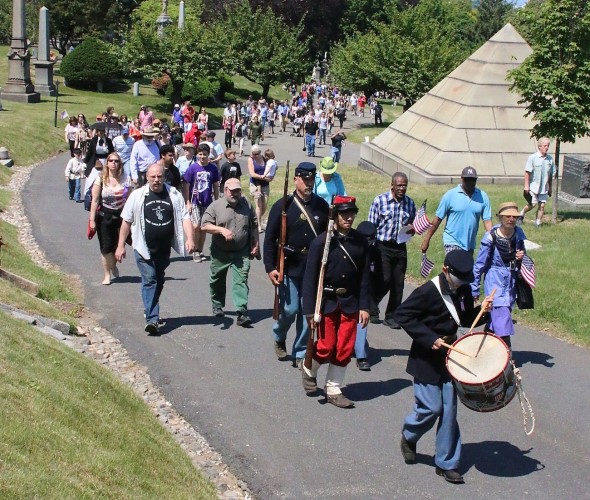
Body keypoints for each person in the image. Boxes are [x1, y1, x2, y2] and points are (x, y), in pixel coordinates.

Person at [395, 249, 492, 485]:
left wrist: (482, 311)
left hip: (452, 358)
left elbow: (465, 319)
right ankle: (409, 435)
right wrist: (430, 338)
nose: (462, 283)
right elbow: (403, 315)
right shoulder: (428, 291)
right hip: (426, 359)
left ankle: (447, 463)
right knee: (431, 408)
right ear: (446, 270)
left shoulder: (464, 289)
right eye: (459, 277)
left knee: (449, 412)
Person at [301, 196, 370, 408]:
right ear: (336, 216)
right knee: (325, 346)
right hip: (327, 301)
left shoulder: (360, 242)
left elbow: (365, 277)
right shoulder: (322, 242)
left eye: (352, 213)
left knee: (344, 347)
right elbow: (310, 278)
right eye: (345, 214)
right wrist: (310, 311)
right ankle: (308, 368)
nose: (349, 218)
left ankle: (333, 388)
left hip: (350, 301)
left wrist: (365, 306)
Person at [263, 162, 330, 367]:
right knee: (290, 309)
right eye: (305, 179)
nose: (309, 183)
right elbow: (270, 239)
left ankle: (300, 352)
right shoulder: (283, 205)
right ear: (296, 179)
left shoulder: (321, 206)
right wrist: (270, 267)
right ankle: (279, 335)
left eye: (312, 179)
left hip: (313, 267)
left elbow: (328, 238)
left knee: (306, 311)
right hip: (289, 266)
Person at [116, 164, 195, 335]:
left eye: (159, 177)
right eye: (153, 177)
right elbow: (126, 221)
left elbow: (184, 217)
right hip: (142, 247)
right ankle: (152, 319)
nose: (156, 180)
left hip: (163, 248)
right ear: (147, 177)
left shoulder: (173, 194)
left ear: (163, 176)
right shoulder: (137, 196)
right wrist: (121, 245)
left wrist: (190, 238)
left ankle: (149, 307)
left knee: (158, 280)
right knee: (150, 279)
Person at [201, 178, 259, 327]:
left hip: (241, 252)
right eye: (232, 191)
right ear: (225, 190)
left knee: (241, 280)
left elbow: (253, 223)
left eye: (238, 190)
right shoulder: (216, 206)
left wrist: (255, 243)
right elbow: (204, 225)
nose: (235, 193)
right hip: (220, 252)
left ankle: (242, 312)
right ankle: (217, 305)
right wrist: (221, 230)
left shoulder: (246, 203)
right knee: (217, 280)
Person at [472, 202, 527, 348]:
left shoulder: (519, 235)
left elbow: (524, 260)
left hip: (511, 282)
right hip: (494, 281)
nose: (511, 219)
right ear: (500, 218)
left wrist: (522, 256)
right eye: (507, 216)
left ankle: (484, 348)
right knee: (502, 317)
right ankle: (507, 356)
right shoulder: (490, 237)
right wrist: (475, 289)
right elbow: (479, 265)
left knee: (497, 317)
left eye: (514, 216)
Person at [368, 172, 416, 328]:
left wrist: (412, 230)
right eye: (399, 185)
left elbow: (411, 224)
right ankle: (372, 306)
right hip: (383, 246)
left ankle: (392, 316)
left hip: (400, 247)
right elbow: (371, 225)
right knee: (385, 279)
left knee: (398, 283)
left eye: (405, 185)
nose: (402, 188)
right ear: (392, 185)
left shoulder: (410, 203)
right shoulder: (380, 201)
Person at [421, 167, 492, 255]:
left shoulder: (482, 196)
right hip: (452, 241)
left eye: (472, 180)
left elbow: (487, 221)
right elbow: (438, 219)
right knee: (453, 267)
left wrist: (492, 239)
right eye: (467, 179)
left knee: (465, 269)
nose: (470, 182)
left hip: (469, 244)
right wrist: (426, 240)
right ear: (462, 178)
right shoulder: (450, 195)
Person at [89, 153, 131, 286]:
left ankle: (113, 265)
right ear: (107, 163)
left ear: (120, 164)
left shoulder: (125, 178)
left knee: (118, 245)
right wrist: (92, 220)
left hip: (121, 216)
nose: (113, 163)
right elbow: (95, 200)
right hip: (104, 216)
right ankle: (107, 274)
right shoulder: (100, 179)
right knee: (106, 247)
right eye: (111, 161)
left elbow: (129, 200)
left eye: (116, 161)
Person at [183, 143, 220, 263]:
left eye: (204, 154)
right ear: (197, 154)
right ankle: (194, 249)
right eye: (200, 154)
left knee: (204, 227)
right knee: (195, 225)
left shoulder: (213, 168)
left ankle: (200, 250)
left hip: (207, 201)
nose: (202, 157)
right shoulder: (193, 168)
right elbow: (186, 185)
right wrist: (187, 202)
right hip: (195, 201)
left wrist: (217, 201)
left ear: (209, 154)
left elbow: (215, 185)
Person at [354, 221, 380, 371]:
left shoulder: (375, 252)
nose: (369, 243)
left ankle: (361, 355)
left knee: (362, 321)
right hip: (347, 289)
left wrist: (374, 298)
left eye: (371, 240)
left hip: (365, 291)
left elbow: (379, 277)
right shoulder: (349, 247)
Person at [520, 137, 555, 227]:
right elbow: (527, 172)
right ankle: (521, 214)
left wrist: (550, 188)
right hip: (534, 186)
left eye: (548, 146)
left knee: (542, 205)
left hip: (544, 187)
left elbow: (550, 175)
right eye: (545, 146)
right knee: (533, 204)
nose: (547, 148)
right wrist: (526, 186)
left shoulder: (550, 159)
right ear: (539, 147)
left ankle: (538, 222)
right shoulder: (533, 157)